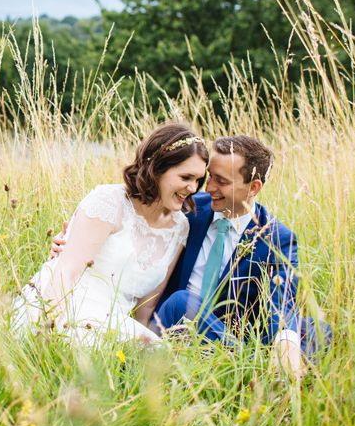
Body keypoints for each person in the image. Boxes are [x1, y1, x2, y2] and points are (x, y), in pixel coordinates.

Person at [53, 134, 329, 377]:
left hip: (219, 331)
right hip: (165, 319)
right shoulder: (187, 208)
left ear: (253, 187)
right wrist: (72, 245)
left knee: (312, 329)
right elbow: (127, 217)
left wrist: (286, 341)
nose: (205, 189)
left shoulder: (276, 238)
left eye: (221, 182)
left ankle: (266, 361)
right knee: (183, 301)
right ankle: (249, 367)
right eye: (208, 178)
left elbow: (282, 303)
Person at [12, 124, 209, 344]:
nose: (193, 188)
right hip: (66, 301)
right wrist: (45, 329)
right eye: (186, 177)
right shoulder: (109, 202)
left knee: (158, 356)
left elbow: (146, 308)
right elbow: (66, 271)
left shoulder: (180, 226)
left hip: (115, 321)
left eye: (198, 180)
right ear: (157, 168)